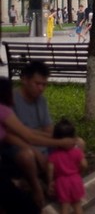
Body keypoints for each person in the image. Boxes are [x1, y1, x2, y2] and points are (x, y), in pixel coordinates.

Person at [1, 77, 79, 213]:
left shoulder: (8, 111)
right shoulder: (3, 110)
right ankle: (38, 189)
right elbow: (27, 135)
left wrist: (55, 137)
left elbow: (25, 133)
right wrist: (60, 142)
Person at [1, 61, 54, 208]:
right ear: (25, 79)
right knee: (27, 155)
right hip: (19, 147)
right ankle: (37, 188)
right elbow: (13, 135)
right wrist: (37, 150)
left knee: (76, 144)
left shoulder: (41, 101)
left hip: (39, 142)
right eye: (37, 83)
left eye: (44, 84)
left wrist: (55, 141)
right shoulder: (9, 102)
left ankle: (53, 184)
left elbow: (48, 129)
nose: (41, 88)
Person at [48, 118, 87, 214]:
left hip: (62, 182)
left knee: (64, 207)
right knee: (77, 205)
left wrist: (50, 181)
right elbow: (84, 164)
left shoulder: (53, 156)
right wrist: (79, 172)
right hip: (76, 180)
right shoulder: (77, 152)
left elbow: (50, 168)